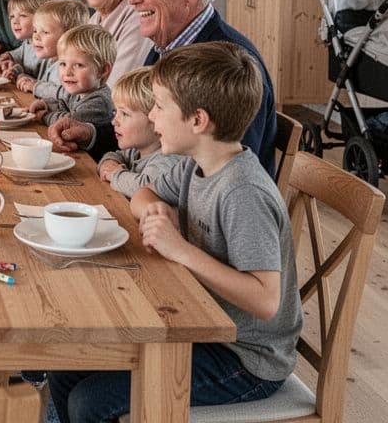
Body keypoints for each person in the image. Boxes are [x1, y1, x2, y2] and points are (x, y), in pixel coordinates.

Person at [48, 42, 301, 423]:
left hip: (246, 358)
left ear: (198, 121)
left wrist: (180, 249)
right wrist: (153, 207)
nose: (152, 116)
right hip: (199, 323)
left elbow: (265, 300)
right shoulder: (192, 165)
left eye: (160, 106)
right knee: (64, 365)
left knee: (90, 402)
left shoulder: (242, 192)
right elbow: (143, 193)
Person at [49, 0, 277, 174]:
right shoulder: (165, 46)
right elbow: (143, 124)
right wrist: (89, 133)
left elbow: (229, 172)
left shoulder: (230, 64)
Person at [97, 67, 183, 197]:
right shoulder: (135, 151)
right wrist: (109, 163)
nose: (114, 121)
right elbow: (114, 155)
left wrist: (115, 175)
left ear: (155, 118)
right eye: (115, 112)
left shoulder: (167, 159)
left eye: (124, 114)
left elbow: (146, 188)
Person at [28, 25, 116, 130]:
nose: (67, 72)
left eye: (78, 65)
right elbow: (64, 103)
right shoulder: (81, 91)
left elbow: (69, 122)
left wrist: (44, 116)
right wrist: (46, 104)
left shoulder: (99, 102)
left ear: (103, 70)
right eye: (63, 64)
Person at [12, 0, 88, 99]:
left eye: (45, 32)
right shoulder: (50, 60)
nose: (36, 37)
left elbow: (66, 96)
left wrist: (35, 86)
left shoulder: (68, 69)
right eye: (35, 30)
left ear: (68, 36)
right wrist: (18, 72)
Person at [0, 0, 48, 84]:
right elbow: (21, 51)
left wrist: (21, 75)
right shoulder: (28, 42)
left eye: (22, 16)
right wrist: (9, 56)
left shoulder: (46, 50)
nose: (15, 21)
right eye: (12, 16)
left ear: (41, 18)